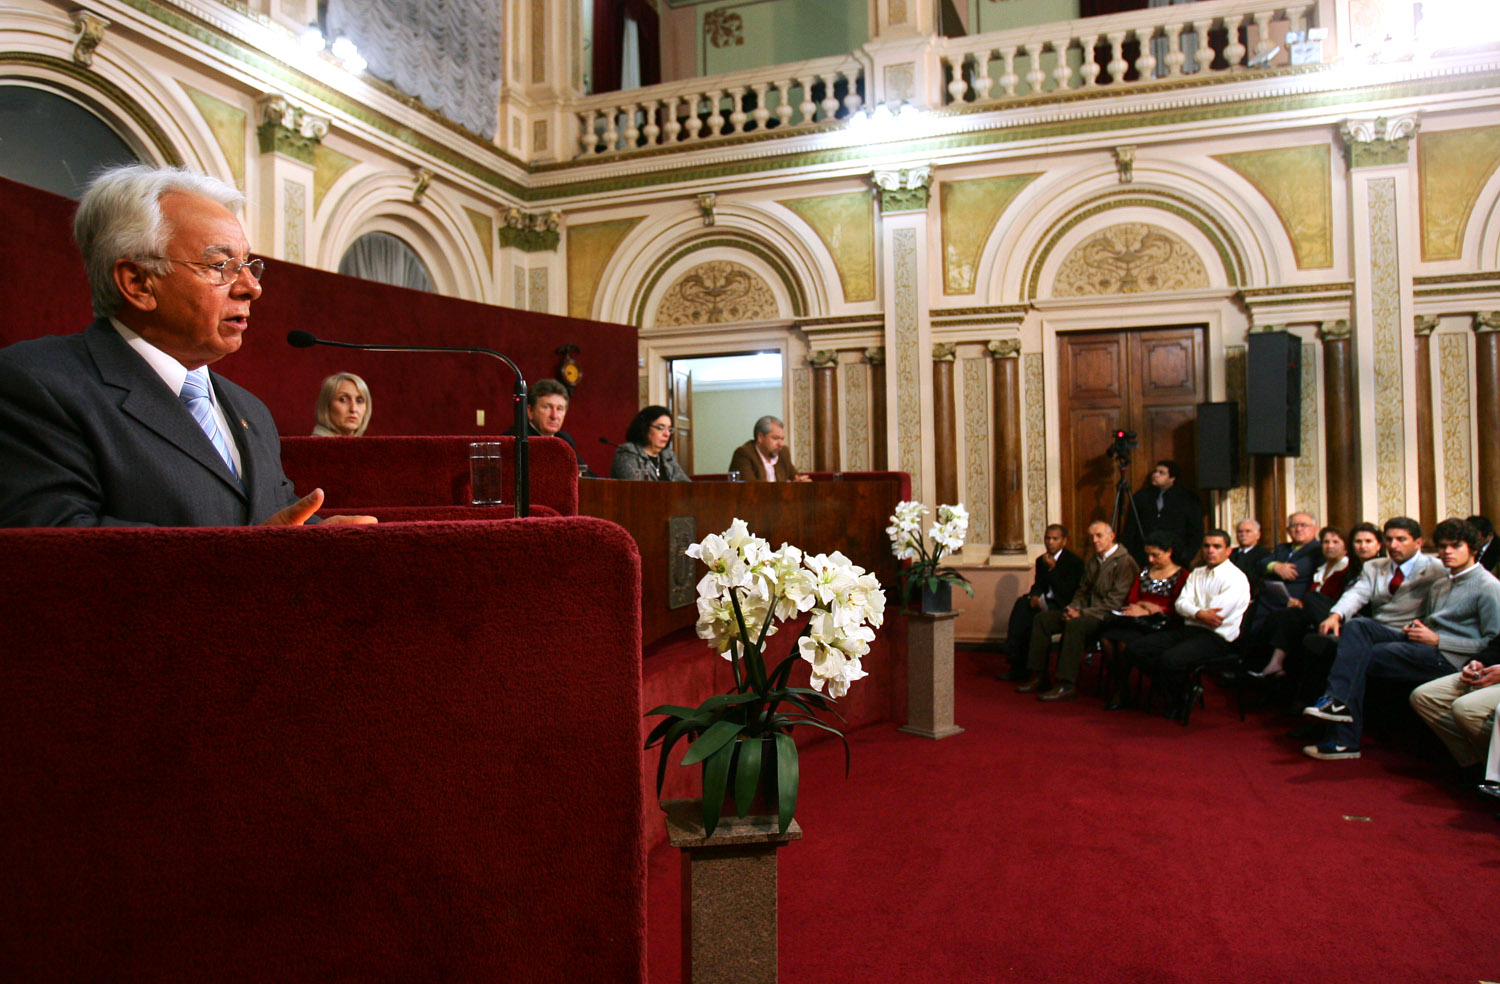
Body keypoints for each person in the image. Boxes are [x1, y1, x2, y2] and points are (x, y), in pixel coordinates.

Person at [0, 164, 371, 528]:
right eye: (221, 264)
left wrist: (321, 537)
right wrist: (250, 561)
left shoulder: (250, 410)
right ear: (139, 283)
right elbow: (52, 548)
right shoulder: (37, 385)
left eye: (248, 265)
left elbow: (275, 518)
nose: (251, 288)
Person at [1303, 518, 1500, 760]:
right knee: (1358, 626)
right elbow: (1430, 619)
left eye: (1455, 546)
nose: (1447, 552)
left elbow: (1491, 646)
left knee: (1359, 656)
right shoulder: (1442, 583)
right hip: (1422, 644)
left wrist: (1438, 640)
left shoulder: (1488, 586)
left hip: (1452, 657)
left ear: (1473, 549)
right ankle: (1337, 703)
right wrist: (1421, 629)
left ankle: (1344, 739)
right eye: (1443, 546)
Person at [1111, 530, 1251, 716]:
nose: (1210, 550)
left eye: (1217, 546)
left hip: (1217, 637)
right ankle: (1184, 688)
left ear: (1228, 551)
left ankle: (1177, 696)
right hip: (1190, 629)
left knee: (1169, 659)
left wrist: (1193, 611)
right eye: (1207, 546)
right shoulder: (1197, 573)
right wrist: (1199, 612)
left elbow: (1216, 617)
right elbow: (1180, 604)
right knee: (1134, 649)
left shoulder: (1236, 578)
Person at [1018, 519, 1136, 702]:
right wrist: (1071, 608)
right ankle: (1038, 675)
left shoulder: (1124, 562)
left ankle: (1066, 683)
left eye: (1099, 536)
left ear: (1111, 537)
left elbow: (1115, 602)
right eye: (1092, 537)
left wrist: (1081, 613)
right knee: (1042, 619)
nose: (1095, 540)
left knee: (1075, 624)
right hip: (1085, 610)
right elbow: (1082, 591)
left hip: (1107, 616)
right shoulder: (1093, 562)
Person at [1249, 525, 1356, 679]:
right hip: (1312, 612)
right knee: (1283, 615)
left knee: (1304, 604)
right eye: (1326, 542)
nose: (1329, 546)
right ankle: (1273, 664)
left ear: (1346, 546)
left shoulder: (1347, 568)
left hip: (1334, 616)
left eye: (1335, 542)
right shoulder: (1321, 568)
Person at [1098, 530, 1189, 702]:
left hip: (1163, 623)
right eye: (1148, 555)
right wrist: (1143, 607)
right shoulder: (1144, 572)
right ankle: (1120, 684)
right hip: (1137, 619)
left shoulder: (1182, 575)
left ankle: (1121, 689)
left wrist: (1153, 609)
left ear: (1169, 552)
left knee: (1124, 643)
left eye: (1156, 555)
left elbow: (1177, 606)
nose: (1150, 560)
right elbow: (1132, 598)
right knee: (1107, 638)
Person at [1000, 523, 1085, 681]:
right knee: (1022, 605)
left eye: (1055, 539)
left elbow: (1068, 592)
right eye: (1047, 538)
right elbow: (1038, 584)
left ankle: (1037, 673)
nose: (1050, 542)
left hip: (1062, 604)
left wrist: (1053, 570)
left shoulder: (1075, 562)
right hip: (1045, 602)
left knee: (1037, 621)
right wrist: (1034, 595)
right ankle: (1016, 663)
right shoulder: (1041, 560)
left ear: (1064, 541)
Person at [1408, 632, 1500, 779]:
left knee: (1466, 709)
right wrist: (1479, 662)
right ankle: (1475, 765)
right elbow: (1497, 645)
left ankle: (1494, 770)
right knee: (1424, 697)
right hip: (1494, 670)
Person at [1125, 460, 1201, 566]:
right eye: (1155, 472)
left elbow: (1196, 531)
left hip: (1176, 556)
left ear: (1172, 478)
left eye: (1162, 473)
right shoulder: (1142, 497)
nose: (1156, 475)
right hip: (1144, 556)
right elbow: (1131, 528)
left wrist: (1187, 555)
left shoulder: (1187, 499)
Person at [611, 405, 690, 481]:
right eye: (660, 428)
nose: (667, 434)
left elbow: (685, 484)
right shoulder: (627, 453)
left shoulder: (668, 455)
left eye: (669, 429)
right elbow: (637, 489)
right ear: (645, 428)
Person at [727, 415, 810, 482]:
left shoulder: (783, 452)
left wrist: (801, 482)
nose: (780, 444)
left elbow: (795, 477)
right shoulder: (743, 454)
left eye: (782, 439)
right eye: (775, 438)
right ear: (760, 437)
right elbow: (751, 489)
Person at [509, 378, 578, 453]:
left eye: (559, 409)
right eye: (547, 407)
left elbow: (581, 465)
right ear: (529, 411)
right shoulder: (515, 439)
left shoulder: (565, 440)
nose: (554, 416)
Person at [311, 371, 372, 436]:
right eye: (343, 399)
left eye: (359, 401)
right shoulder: (313, 445)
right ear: (327, 405)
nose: (353, 409)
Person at [1230, 518, 1270, 586]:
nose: (1243, 534)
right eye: (1240, 531)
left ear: (1258, 535)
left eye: (1248, 531)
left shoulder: (1264, 554)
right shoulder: (1229, 553)